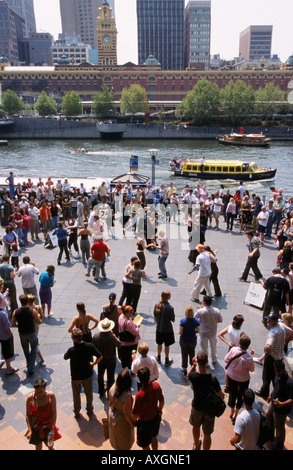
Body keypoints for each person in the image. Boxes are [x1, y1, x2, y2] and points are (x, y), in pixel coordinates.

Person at [188, 351, 224, 451]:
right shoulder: (212, 379)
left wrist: (193, 365)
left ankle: (196, 445)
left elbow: (188, 374)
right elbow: (222, 395)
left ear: (197, 362)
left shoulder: (193, 377)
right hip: (209, 410)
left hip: (197, 407)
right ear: (207, 362)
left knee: (196, 427)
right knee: (207, 434)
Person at [64, 328, 102, 419]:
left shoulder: (71, 350)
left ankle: (77, 411)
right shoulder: (89, 346)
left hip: (76, 376)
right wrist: (94, 363)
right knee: (89, 393)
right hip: (87, 374)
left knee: (76, 394)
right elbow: (100, 356)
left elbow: (65, 357)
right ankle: (89, 409)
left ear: (74, 339)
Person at [132, 366, 165, 451]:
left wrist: (134, 422)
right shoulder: (156, 386)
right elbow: (161, 400)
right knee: (154, 437)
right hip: (155, 418)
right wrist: (160, 410)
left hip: (144, 423)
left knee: (145, 445)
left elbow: (135, 413)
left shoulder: (140, 395)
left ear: (139, 378)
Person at [224, 334, 255, 424]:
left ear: (239, 343)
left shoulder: (233, 350)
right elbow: (251, 369)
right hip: (243, 379)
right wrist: (250, 355)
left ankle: (231, 411)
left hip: (232, 376)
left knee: (232, 393)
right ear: (248, 346)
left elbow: (226, 360)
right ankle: (236, 413)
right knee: (241, 395)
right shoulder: (249, 357)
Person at [255, 312, 285, 400]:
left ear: (275, 321)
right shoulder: (282, 326)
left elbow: (268, 346)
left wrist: (266, 351)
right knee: (275, 376)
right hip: (279, 356)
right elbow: (290, 331)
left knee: (266, 376)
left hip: (271, 357)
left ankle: (264, 392)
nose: (267, 321)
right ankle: (277, 393)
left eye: (270, 320)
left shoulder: (272, 333)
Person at [25, 379, 61, 450]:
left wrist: (53, 428)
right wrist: (30, 430)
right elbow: (27, 416)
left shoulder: (51, 396)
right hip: (36, 428)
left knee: (50, 445)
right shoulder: (30, 399)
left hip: (48, 426)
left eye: (41, 392)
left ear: (45, 389)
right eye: (37, 392)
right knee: (38, 447)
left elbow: (54, 412)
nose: (39, 394)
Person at [11, 294, 41, 376]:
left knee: (25, 349)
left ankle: (28, 363)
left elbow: (13, 324)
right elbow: (39, 322)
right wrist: (38, 317)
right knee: (34, 348)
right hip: (31, 332)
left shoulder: (15, 312)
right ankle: (31, 367)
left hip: (22, 333)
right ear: (27, 301)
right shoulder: (32, 311)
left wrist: (19, 325)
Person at [266, 360, 293, 450]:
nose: (277, 373)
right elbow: (275, 387)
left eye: (278, 371)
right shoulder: (276, 377)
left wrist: (282, 404)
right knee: (269, 418)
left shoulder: (289, 383)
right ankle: (270, 437)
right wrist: (270, 395)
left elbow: (292, 399)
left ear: (283, 369)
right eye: (275, 370)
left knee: (280, 428)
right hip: (273, 404)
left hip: (281, 410)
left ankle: (279, 445)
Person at [92, 318, 121, 398]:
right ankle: (109, 392)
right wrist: (114, 335)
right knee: (110, 377)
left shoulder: (96, 336)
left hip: (100, 359)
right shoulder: (111, 337)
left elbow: (93, 346)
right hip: (110, 359)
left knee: (100, 376)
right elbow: (119, 344)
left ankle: (101, 391)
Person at [108, 369, 134, 450]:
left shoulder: (112, 388)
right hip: (122, 422)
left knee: (116, 440)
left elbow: (110, 404)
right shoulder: (127, 396)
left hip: (112, 416)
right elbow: (126, 414)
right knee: (124, 443)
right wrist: (132, 425)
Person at [195, 295, 223, 364]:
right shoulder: (217, 310)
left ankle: (205, 362)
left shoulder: (200, 311)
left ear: (204, 302)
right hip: (213, 332)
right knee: (213, 347)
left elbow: (194, 319)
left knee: (204, 348)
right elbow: (220, 320)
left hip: (203, 333)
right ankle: (214, 359)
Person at [0, 279, 18, 375]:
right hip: (4, 335)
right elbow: (7, 326)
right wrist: (11, 334)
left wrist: (5, 293)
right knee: (7, 351)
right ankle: (8, 367)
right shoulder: (2, 314)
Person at [154, 290, 175, 367]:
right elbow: (173, 320)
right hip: (168, 329)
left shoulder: (157, 305)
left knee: (159, 343)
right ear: (168, 297)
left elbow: (155, 316)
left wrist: (158, 323)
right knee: (167, 345)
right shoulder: (170, 308)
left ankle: (158, 357)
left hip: (159, 328)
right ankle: (166, 359)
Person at [179, 305, 200, 376]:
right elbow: (198, 330)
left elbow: (180, 332)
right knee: (192, 352)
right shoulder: (196, 320)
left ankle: (184, 368)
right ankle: (192, 365)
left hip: (184, 340)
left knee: (184, 353)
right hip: (192, 340)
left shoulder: (183, 321)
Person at [118, 305, 140, 369]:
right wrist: (137, 326)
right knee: (131, 358)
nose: (132, 314)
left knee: (124, 358)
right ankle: (132, 370)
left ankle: (124, 370)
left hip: (123, 342)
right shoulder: (128, 323)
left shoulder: (121, 317)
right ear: (126, 313)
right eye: (130, 313)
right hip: (131, 343)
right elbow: (136, 332)